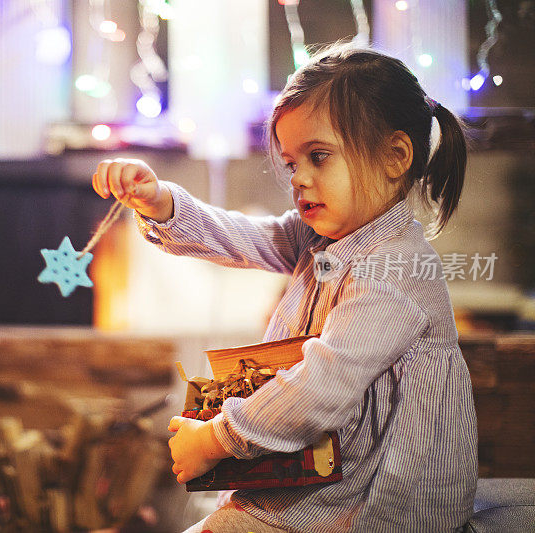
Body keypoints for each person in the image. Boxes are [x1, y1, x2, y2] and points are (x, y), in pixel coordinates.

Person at [91, 43, 478, 532]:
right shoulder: (320, 237)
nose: (300, 179)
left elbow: (322, 385)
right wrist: (161, 203)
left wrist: (216, 439)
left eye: (319, 157)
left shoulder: (395, 270)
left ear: (395, 157)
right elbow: (241, 237)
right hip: (321, 484)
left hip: (379, 506)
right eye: (293, 163)